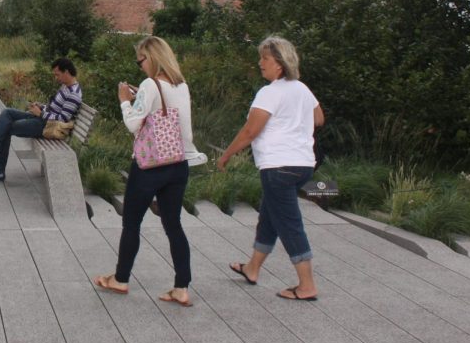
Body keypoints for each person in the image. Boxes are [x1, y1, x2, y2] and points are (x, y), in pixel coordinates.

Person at [93, 36, 205, 307]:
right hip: (177, 165)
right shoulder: (181, 85)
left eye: (140, 59)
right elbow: (186, 132)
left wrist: (124, 101)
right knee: (173, 224)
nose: (139, 65)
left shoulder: (149, 85)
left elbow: (133, 124)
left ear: (152, 58)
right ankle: (181, 287)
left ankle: (120, 279)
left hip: (149, 167)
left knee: (132, 223)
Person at [218, 36, 325, 302]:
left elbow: (251, 130)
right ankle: (252, 268)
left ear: (279, 63)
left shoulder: (270, 92)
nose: (260, 63)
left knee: (289, 224)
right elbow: (319, 118)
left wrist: (226, 155)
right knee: (269, 215)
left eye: (265, 58)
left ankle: (307, 285)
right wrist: (294, 125)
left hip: (278, 167)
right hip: (302, 165)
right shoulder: (301, 88)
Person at [0, 58, 82, 182]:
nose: (56, 78)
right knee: (7, 113)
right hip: (42, 119)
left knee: (7, 127)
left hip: (46, 126)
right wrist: (41, 106)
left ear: (66, 71)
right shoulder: (65, 87)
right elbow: (54, 109)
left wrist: (41, 114)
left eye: (57, 74)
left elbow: (62, 119)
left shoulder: (74, 95)